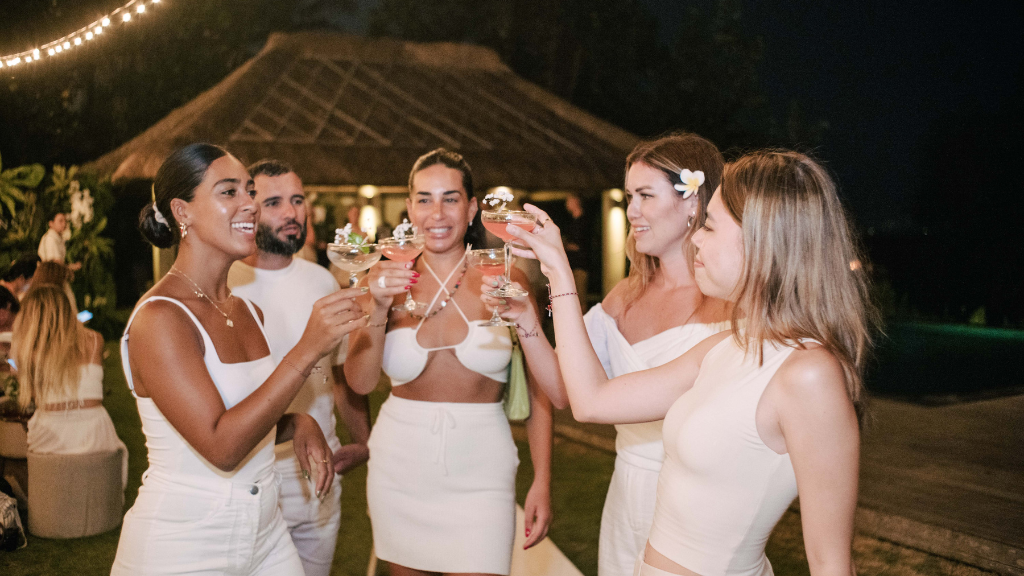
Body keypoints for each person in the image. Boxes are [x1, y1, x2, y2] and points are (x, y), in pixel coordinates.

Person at [508, 150, 874, 576]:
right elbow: (590, 402)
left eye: (711, 226)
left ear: (763, 241)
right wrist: (557, 272)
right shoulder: (724, 347)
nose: (697, 238)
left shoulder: (808, 373)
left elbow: (831, 564)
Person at [111, 143, 368, 575]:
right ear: (182, 211)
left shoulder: (247, 311)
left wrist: (296, 423)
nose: (250, 203)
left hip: (268, 535)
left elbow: (245, 417)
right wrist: (307, 348)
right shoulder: (160, 319)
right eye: (229, 191)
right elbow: (222, 446)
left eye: (249, 191)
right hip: (184, 543)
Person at [485, 133, 732, 576]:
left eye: (645, 195)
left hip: (695, 506)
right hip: (625, 498)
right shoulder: (625, 295)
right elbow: (564, 390)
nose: (631, 210)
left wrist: (558, 271)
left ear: (692, 203)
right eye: (629, 196)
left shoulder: (730, 307)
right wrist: (525, 319)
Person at [344, 148, 554, 576]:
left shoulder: (504, 277)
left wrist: (542, 479)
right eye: (424, 199)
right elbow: (360, 383)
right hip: (399, 470)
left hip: (483, 472)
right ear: (409, 208)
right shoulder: (380, 282)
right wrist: (378, 309)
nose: (436, 213)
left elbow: (541, 388)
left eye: (450, 199)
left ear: (472, 208)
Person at [227, 158, 371, 576]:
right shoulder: (226, 285)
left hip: (319, 473)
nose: (291, 213)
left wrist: (364, 441)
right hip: (250, 475)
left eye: (297, 200)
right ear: (248, 209)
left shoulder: (322, 281)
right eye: (274, 203)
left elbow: (339, 375)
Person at [11, 284, 127, 485]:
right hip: (95, 434)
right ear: (67, 310)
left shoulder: (28, 352)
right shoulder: (95, 340)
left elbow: (30, 393)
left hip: (50, 434)